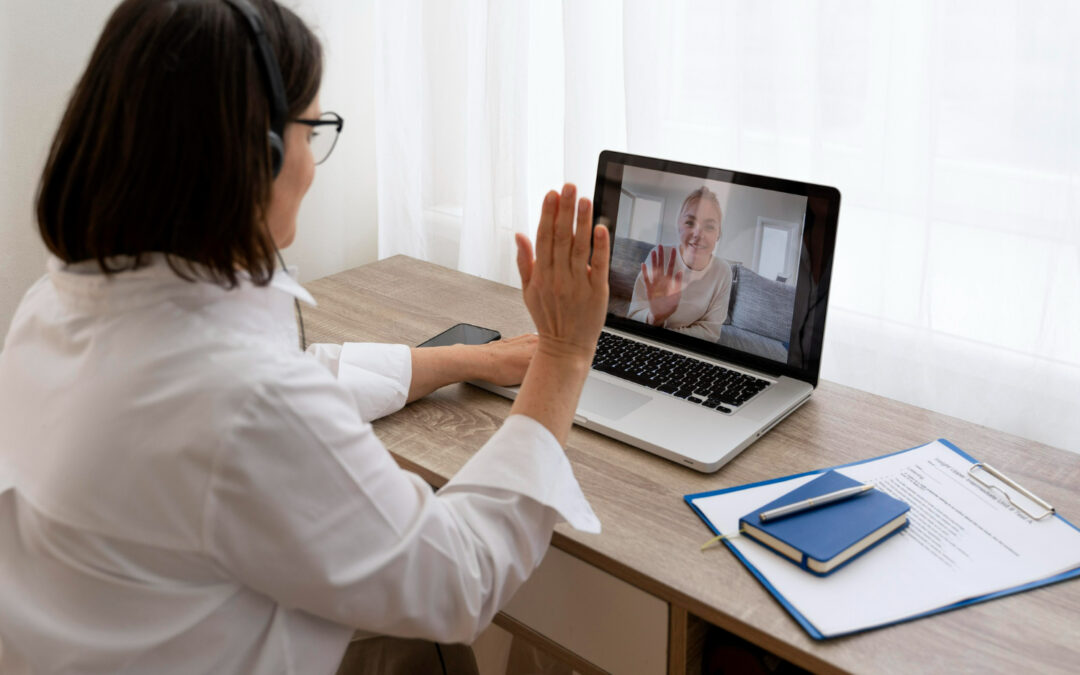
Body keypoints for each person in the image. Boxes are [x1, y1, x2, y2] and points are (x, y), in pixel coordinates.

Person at [0, 1, 610, 673]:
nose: (313, 166)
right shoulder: (240, 401)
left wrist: (469, 357)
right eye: (312, 131)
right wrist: (564, 353)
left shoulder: (54, 306)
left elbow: (283, 381)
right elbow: (458, 578)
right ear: (256, 155)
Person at [626, 186, 732, 342]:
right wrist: (654, 318)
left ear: (718, 234)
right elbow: (634, 315)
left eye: (709, 226)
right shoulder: (659, 257)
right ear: (678, 226)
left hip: (689, 348)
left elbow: (710, 332)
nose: (698, 234)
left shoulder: (723, 272)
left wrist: (666, 334)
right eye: (690, 222)